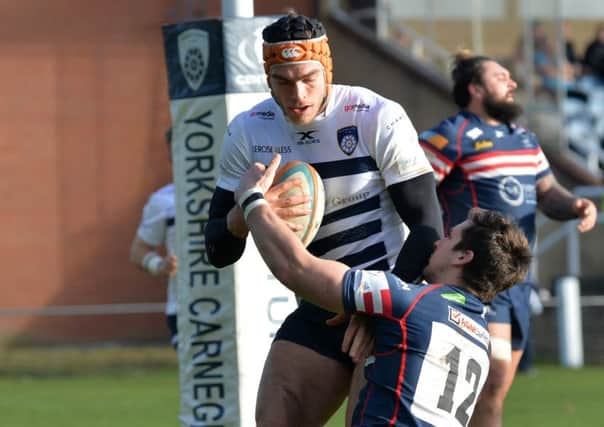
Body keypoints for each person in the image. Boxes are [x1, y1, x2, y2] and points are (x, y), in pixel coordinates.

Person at [205, 13, 444, 426]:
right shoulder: (248, 131)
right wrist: (248, 208)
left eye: (308, 78)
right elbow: (216, 249)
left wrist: (377, 309)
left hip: (390, 303)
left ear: (327, 68)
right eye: (283, 80)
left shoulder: (374, 115)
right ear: (267, 77)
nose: (297, 93)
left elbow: (428, 228)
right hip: (321, 308)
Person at [232, 153, 533, 426]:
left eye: (450, 237)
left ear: (462, 256)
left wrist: (252, 200)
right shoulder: (480, 339)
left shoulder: (409, 301)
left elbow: (296, 268)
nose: (437, 241)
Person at [418, 51, 598, 427]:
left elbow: (548, 193)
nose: (513, 83)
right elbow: (413, 194)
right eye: (501, 77)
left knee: (495, 390)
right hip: (478, 279)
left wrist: (577, 204)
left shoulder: (525, 139)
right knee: (489, 379)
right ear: (476, 88)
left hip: (517, 282)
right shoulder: (452, 134)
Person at [129, 128, 179, 348]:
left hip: (237, 303)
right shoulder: (163, 200)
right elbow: (138, 251)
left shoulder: (232, 192)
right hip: (185, 309)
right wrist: (160, 265)